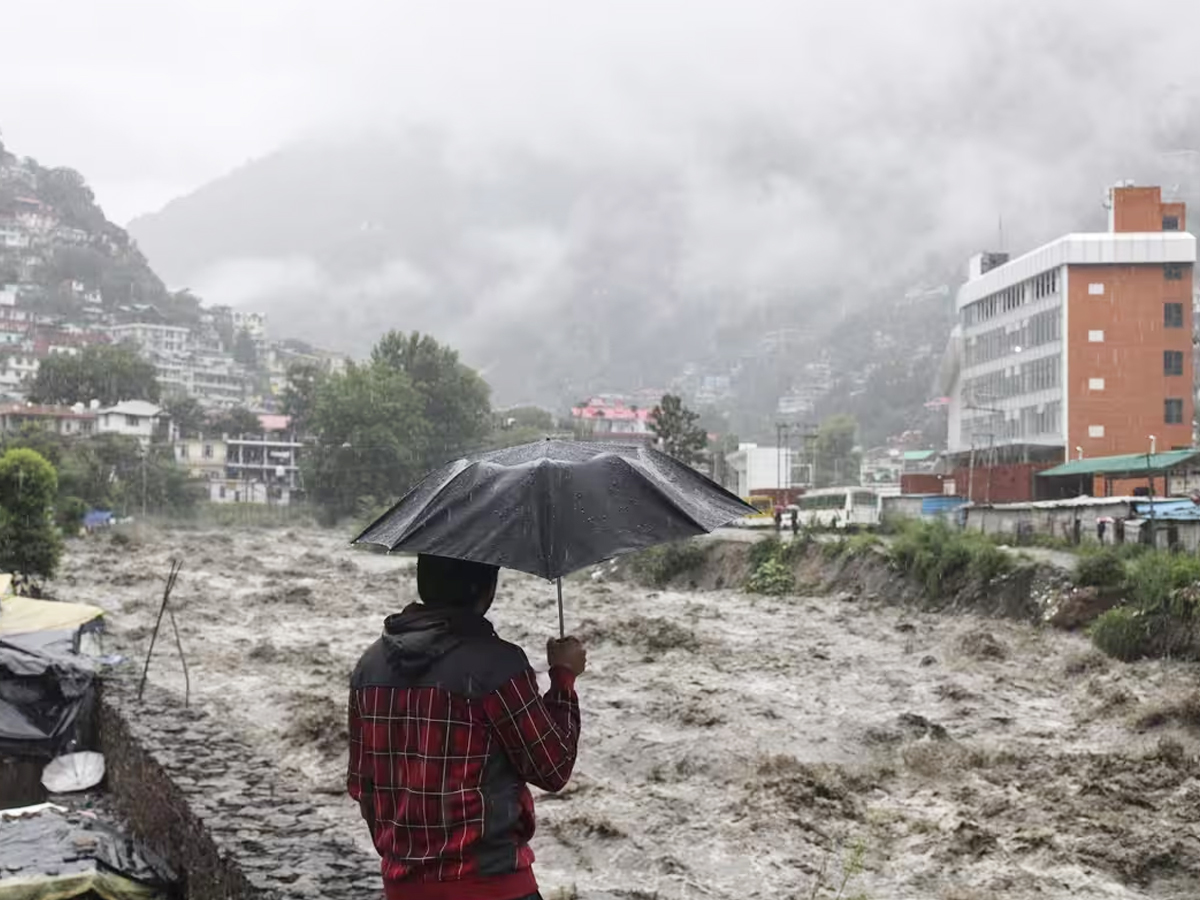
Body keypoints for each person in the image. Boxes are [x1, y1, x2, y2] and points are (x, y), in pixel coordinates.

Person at [348, 553, 585, 900]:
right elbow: (553, 767)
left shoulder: (369, 667)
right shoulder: (497, 665)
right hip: (493, 887)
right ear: (485, 589)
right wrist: (563, 678)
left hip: (403, 888)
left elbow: (363, 787)